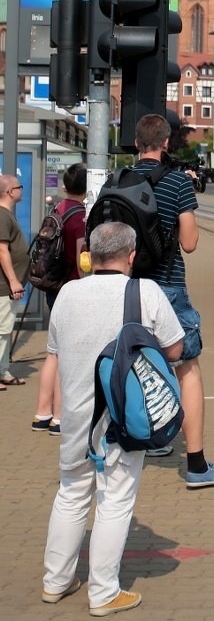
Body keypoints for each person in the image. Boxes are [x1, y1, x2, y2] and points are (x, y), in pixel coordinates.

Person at [42, 222, 184, 616]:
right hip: (120, 418)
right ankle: (104, 593)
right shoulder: (145, 292)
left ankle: (56, 581)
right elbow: (174, 350)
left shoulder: (68, 293)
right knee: (115, 501)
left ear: (90, 253)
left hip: (74, 418)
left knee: (70, 493)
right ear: (132, 255)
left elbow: (56, 349)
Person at [133, 114, 214, 487]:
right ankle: (196, 465)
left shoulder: (119, 180)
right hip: (167, 287)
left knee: (136, 364)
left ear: (135, 143)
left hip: (127, 289)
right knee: (186, 367)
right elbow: (190, 244)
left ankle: (146, 443)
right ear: (166, 143)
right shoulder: (177, 182)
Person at [32, 163, 88, 434]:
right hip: (71, 288)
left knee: (52, 353)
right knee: (67, 354)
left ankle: (41, 414)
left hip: (53, 285)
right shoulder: (80, 218)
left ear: (66, 185)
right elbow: (81, 261)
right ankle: (59, 417)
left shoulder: (56, 209)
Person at [0, 174, 29, 389]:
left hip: (7, 286)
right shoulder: (3, 216)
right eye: (19, 186)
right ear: (10, 192)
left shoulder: (7, 215)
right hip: (4, 286)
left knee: (5, 329)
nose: (22, 189)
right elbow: (2, 250)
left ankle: (3, 370)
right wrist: (13, 281)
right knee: (1, 330)